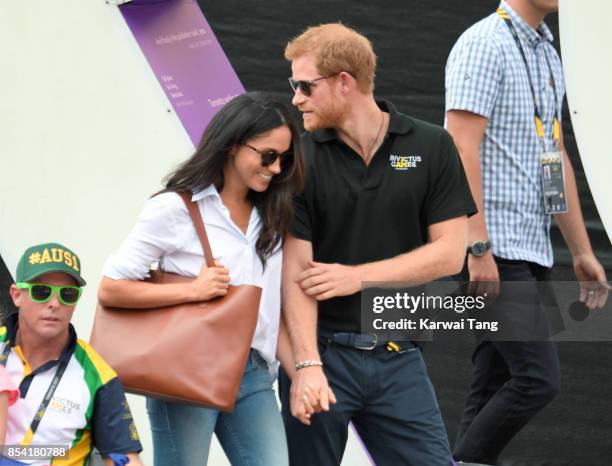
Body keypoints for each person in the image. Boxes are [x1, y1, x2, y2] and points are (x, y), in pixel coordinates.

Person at [280, 23, 477, 466]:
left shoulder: (432, 145)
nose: (296, 98)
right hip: (324, 352)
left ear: (344, 82)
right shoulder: (300, 158)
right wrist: (307, 366)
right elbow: (297, 274)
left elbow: (450, 253)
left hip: (399, 354)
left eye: (305, 86)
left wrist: (357, 277)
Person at [98, 92, 304, 466]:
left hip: (254, 372)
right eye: (268, 156)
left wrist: (302, 373)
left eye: (284, 159)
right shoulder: (175, 208)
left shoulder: (273, 215)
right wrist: (193, 291)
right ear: (232, 145)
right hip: (187, 369)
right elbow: (111, 289)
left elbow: (275, 310)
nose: (276, 169)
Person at [445, 1, 610, 464]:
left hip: (530, 247)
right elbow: (459, 147)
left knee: (494, 381)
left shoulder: (548, 55)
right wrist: (477, 246)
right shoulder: (484, 44)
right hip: (489, 247)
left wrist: (579, 249)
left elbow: (552, 156)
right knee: (537, 379)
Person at [3, 242, 143, 466]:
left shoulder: (99, 376)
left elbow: (125, 458)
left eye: (67, 294)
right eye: (42, 292)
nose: (55, 303)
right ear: (17, 294)